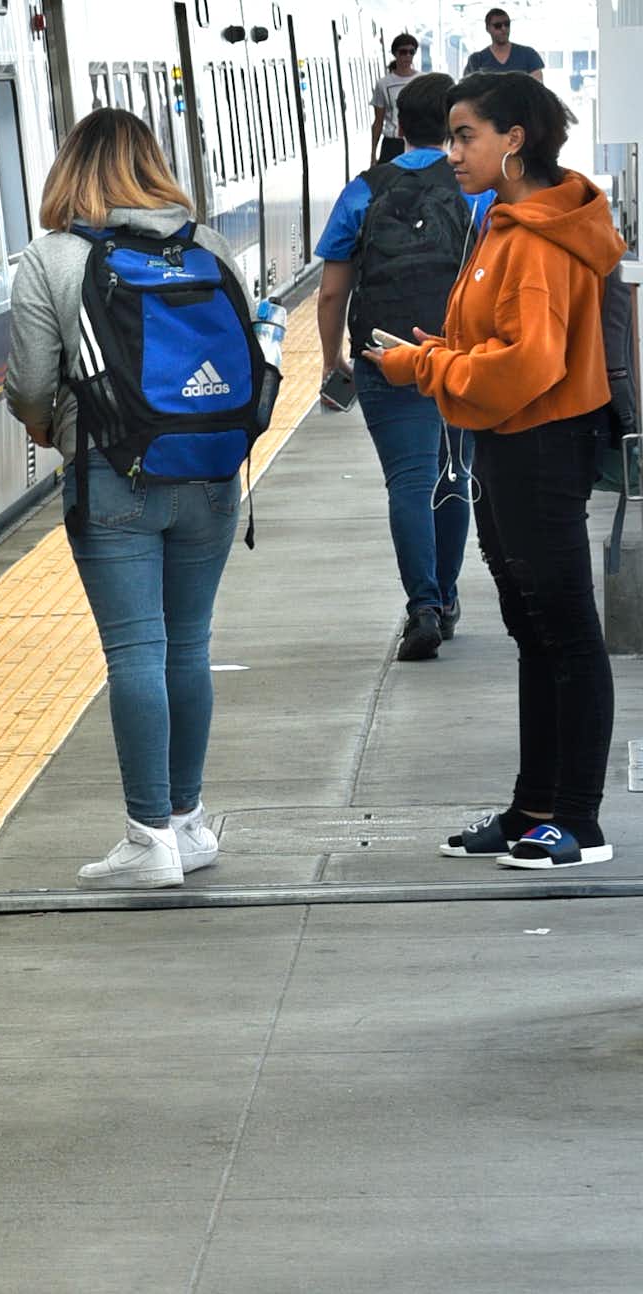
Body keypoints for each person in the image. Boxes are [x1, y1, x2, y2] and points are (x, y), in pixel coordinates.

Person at [368, 73, 620, 868]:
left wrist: (426, 370)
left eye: (465, 135)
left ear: (514, 139)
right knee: (533, 632)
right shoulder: (503, 225)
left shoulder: (538, 240)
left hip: (541, 445)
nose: (452, 152)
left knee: (566, 632)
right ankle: (532, 808)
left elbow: (529, 365)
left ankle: (578, 823)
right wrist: (438, 352)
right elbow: (495, 346)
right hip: (510, 445)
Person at [5, 109, 245, 889]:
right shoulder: (205, 246)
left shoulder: (53, 257)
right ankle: (186, 824)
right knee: (189, 645)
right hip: (211, 475)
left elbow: (32, 385)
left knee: (136, 652)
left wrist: (52, 427)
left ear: (69, 169)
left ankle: (149, 840)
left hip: (113, 474)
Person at [318, 73, 494, 662]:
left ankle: (421, 605)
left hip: (385, 357)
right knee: (455, 475)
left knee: (408, 482)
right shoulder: (477, 189)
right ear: (453, 127)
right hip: (458, 355)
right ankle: (444, 600)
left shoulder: (362, 191)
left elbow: (330, 293)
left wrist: (331, 361)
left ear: (397, 125)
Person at [371, 35, 426, 165]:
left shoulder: (423, 81)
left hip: (417, 141)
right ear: (395, 54)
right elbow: (378, 122)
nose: (407, 56)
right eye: (403, 52)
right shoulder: (383, 84)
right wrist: (373, 153)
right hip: (393, 143)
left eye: (411, 52)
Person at [465, 7, 545, 82]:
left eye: (507, 24)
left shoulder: (529, 55)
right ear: (488, 28)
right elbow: (467, 92)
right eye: (498, 26)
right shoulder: (476, 60)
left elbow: (538, 91)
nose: (503, 29)